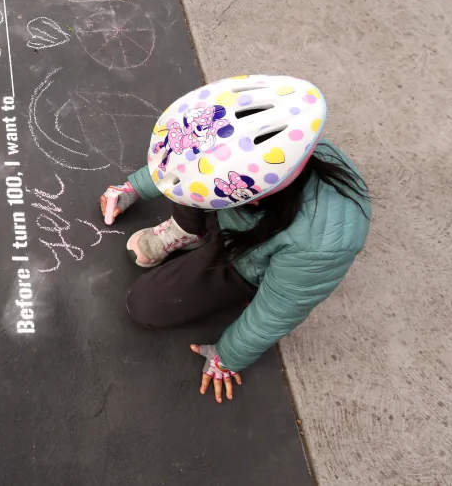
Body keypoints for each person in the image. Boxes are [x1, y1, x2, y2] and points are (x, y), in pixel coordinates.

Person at [100, 75, 370, 403]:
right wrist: (133, 188)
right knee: (191, 184)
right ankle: (187, 230)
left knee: (145, 306)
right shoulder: (270, 157)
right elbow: (185, 160)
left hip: (245, 259)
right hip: (236, 222)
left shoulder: (321, 242)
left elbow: (279, 309)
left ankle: (203, 240)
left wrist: (228, 357)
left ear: (251, 199)